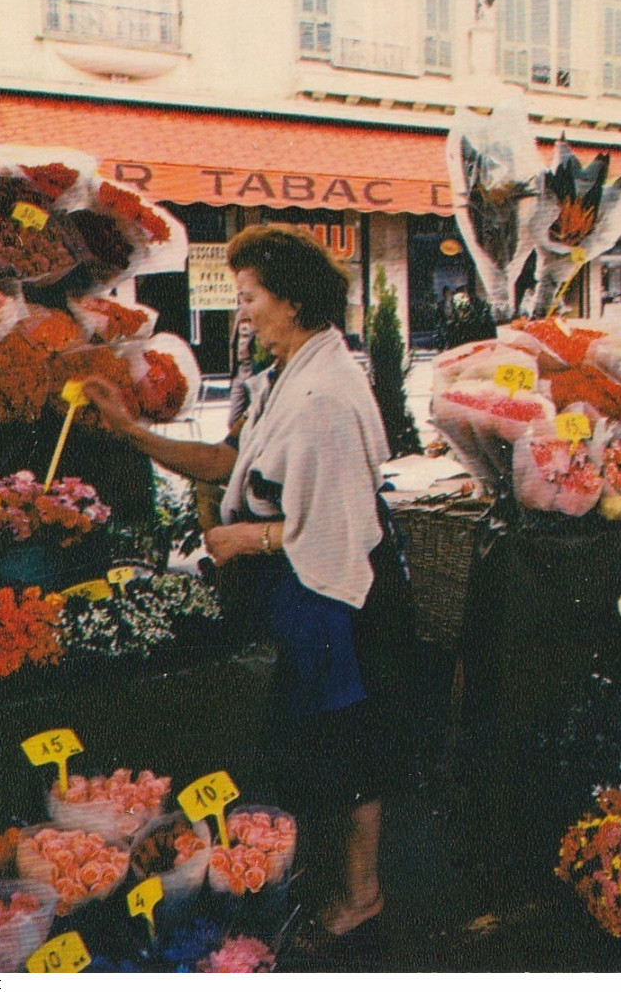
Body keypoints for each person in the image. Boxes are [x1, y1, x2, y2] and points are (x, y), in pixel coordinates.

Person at [83, 225, 398, 948]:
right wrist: (132, 431)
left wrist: (249, 537)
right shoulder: (286, 373)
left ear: (291, 301)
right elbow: (228, 461)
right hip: (293, 591)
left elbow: (343, 523)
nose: (244, 311)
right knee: (310, 744)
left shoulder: (325, 397)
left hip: (325, 598)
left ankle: (362, 897)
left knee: (343, 748)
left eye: (252, 296)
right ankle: (313, 878)